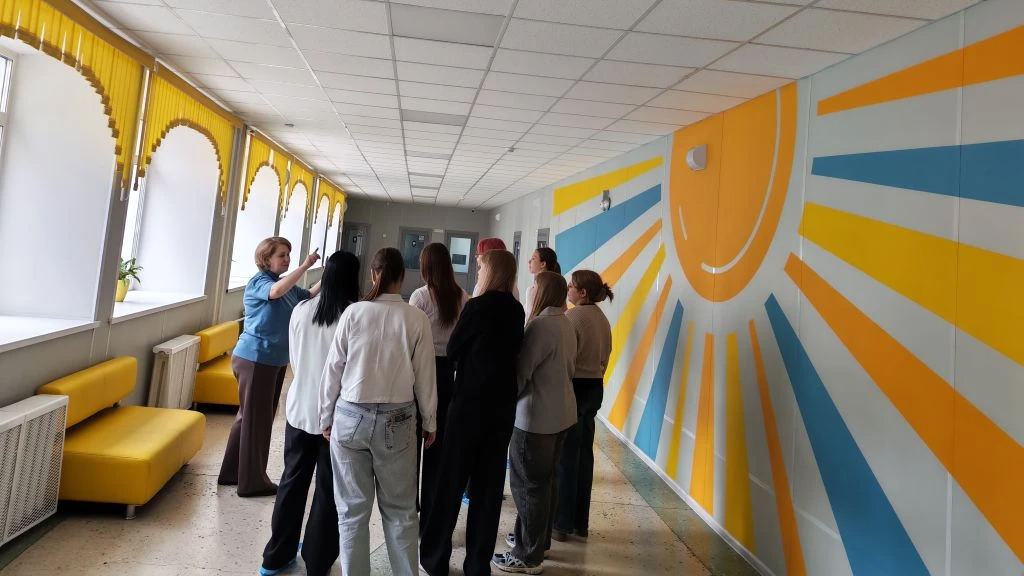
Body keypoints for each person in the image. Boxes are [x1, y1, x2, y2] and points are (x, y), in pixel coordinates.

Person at [319, 247, 437, 576]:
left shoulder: (354, 313)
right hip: (398, 420)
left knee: (351, 512)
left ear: (373, 274)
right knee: (401, 512)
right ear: (402, 277)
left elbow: (333, 369)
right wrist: (430, 420)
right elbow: (425, 376)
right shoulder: (415, 318)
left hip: (349, 417)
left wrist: (325, 417)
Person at [420, 250, 525, 576]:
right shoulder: (517, 310)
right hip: (502, 407)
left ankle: (435, 558)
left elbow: (453, 349)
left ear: (490, 272)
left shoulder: (477, 307)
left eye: (481, 269)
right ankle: (478, 564)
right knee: (488, 489)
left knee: (450, 482)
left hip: (469, 404)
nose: (478, 273)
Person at [260, 251, 360, 576]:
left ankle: (276, 557)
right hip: (336, 418)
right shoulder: (354, 316)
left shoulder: (301, 310)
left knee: (292, 481)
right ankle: (317, 560)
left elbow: (295, 358)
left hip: (299, 409)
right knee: (328, 489)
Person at [219, 237, 320, 497]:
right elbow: (274, 293)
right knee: (257, 422)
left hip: (271, 360)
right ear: (266, 259)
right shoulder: (260, 282)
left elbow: (308, 295)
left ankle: (232, 473)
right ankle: (252, 482)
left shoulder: (284, 286)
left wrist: (328, 277)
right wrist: (305, 266)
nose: (287, 259)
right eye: (282, 255)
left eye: (288, 254)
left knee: (248, 418)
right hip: (256, 359)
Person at [494, 271, 577, 574]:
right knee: (546, 483)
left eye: (534, 286)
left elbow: (522, 372)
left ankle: (528, 555)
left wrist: (501, 403)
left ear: (541, 292)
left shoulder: (540, 326)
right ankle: (537, 541)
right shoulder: (566, 322)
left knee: (528, 486)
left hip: (535, 419)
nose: (530, 290)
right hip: (562, 413)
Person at [408, 243, 469, 531]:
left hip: (419, 372)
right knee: (438, 449)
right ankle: (431, 518)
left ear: (425, 266)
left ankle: (410, 513)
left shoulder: (420, 297)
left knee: (411, 449)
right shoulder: (462, 297)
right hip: (447, 374)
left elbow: (409, 338)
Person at [553, 270, 614, 543]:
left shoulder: (572, 317)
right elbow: (606, 356)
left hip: (575, 387)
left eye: (571, 286)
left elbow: (566, 357)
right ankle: (581, 523)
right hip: (595, 386)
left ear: (583, 292)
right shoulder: (602, 319)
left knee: (566, 456)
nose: (567, 289)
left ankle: (561, 523)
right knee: (584, 456)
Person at [524, 247, 560, 319]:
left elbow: (529, 317)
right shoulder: (557, 287)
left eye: (533, 258)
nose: (529, 261)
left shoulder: (532, 290)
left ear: (543, 264)